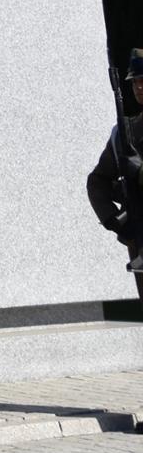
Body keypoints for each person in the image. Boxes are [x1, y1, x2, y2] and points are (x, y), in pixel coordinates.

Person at [88, 50, 143, 299]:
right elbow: (97, 180)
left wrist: (139, 171)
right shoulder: (124, 132)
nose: (139, 87)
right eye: (135, 82)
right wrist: (113, 218)